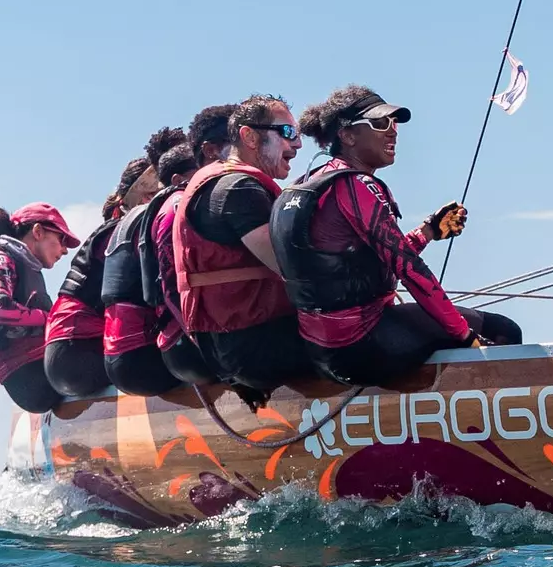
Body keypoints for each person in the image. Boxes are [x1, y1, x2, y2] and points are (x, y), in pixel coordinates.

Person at [271, 85, 520, 386]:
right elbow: (410, 271)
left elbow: (360, 263)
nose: (392, 132)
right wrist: (467, 337)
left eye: (394, 123)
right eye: (379, 124)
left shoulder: (309, 181)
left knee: (433, 329)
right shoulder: (358, 185)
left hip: (324, 350)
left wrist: (427, 232)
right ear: (347, 135)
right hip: (362, 347)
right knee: (503, 330)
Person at [160, 94, 311, 405]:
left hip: (223, 349)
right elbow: (298, 269)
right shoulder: (239, 189)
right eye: (287, 133)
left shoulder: (218, 184)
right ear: (250, 137)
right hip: (255, 349)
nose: (297, 144)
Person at [44, 128, 186, 398]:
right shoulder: (127, 230)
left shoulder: (113, 228)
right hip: (79, 351)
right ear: (146, 197)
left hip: (65, 353)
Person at [0, 203, 80, 413]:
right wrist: (49, 318)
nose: (65, 250)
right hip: (31, 379)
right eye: (62, 239)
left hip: (38, 372)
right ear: (38, 232)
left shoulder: (20, 263)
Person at [101, 142, 197, 395]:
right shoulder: (153, 217)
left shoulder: (115, 228)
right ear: (146, 196)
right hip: (142, 355)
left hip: (114, 358)